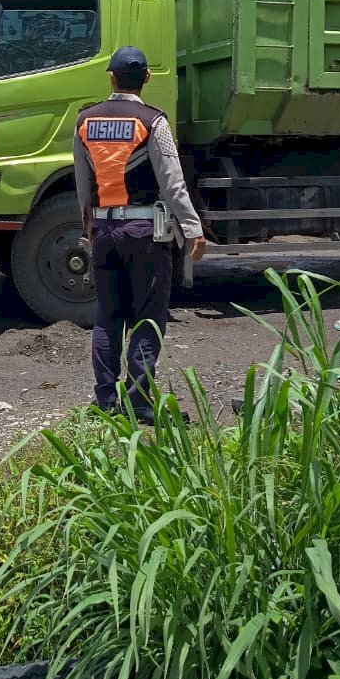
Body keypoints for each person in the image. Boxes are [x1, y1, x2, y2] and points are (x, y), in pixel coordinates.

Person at [73, 46, 206, 424]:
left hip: (103, 230)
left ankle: (104, 401)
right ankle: (137, 402)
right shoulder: (153, 122)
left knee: (107, 316)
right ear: (146, 78)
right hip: (145, 231)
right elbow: (173, 183)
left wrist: (89, 223)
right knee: (148, 316)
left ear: (111, 77)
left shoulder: (85, 121)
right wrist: (192, 228)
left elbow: (83, 182)